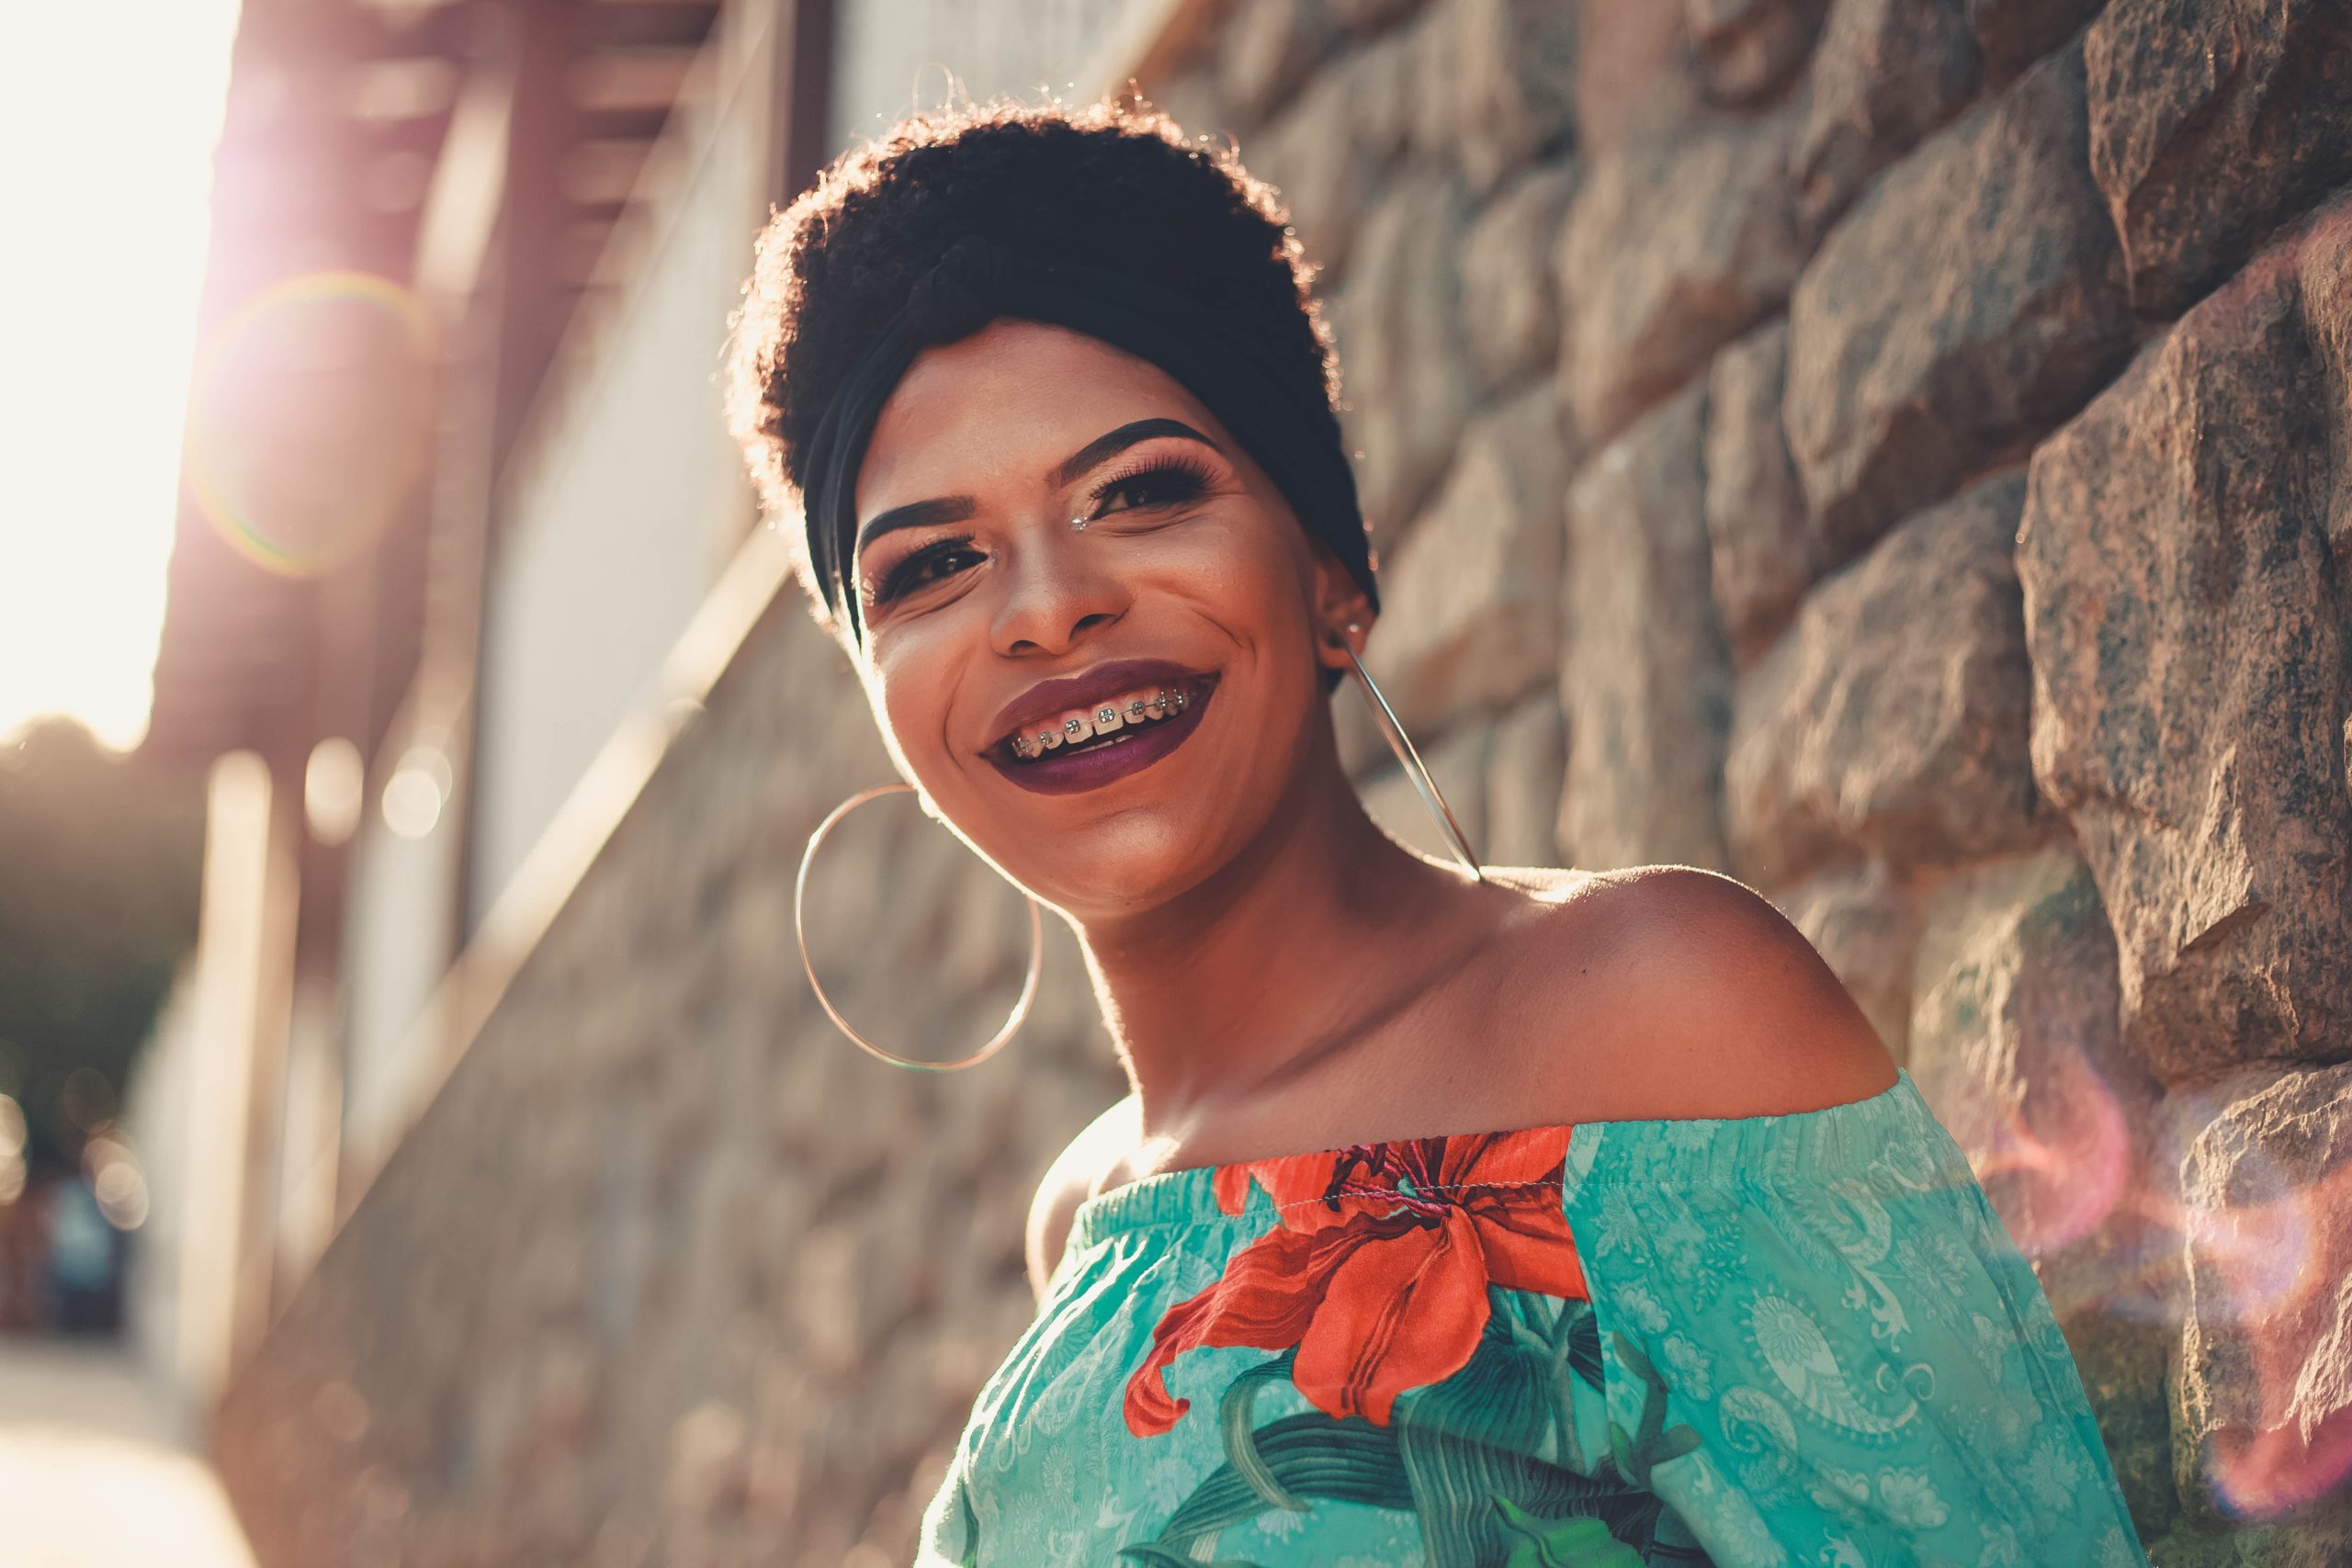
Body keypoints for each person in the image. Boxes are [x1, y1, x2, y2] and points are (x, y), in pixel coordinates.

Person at [725, 96, 2149, 1568]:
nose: (1046, 605)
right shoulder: (1083, 1225)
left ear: (1336, 574)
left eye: (1138, 491)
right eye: (932, 566)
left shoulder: (1657, 1018)